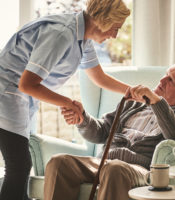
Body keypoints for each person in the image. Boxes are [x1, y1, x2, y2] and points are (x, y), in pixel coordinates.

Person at [0, 0, 131, 199]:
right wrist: (67, 103)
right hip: (5, 95)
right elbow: (27, 84)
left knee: (19, 166)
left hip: (16, 100)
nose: (114, 35)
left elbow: (99, 77)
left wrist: (132, 91)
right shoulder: (62, 34)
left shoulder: (83, 37)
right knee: (19, 166)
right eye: (115, 28)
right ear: (103, 21)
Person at [44, 62, 175, 200]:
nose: (162, 80)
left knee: (115, 169)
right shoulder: (134, 104)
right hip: (104, 162)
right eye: (165, 74)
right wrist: (83, 119)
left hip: (141, 170)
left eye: (170, 80)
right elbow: (102, 131)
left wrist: (158, 102)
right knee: (60, 162)